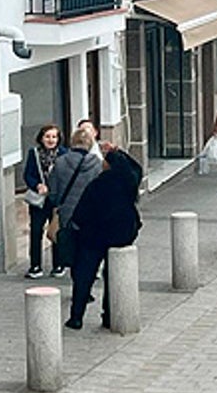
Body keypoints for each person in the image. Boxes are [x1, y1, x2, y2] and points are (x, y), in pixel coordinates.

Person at [64, 149, 143, 330]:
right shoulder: (129, 183)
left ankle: (76, 316)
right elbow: (137, 167)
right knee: (113, 275)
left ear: (108, 165)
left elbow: (81, 212)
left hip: (93, 236)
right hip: (120, 235)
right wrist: (120, 152)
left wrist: (75, 226)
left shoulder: (97, 185)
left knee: (85, 275)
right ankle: (109, 314)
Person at [48, 127, 104, 273]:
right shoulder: (97, 164)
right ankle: (85, 287)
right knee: (87, 250)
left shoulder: (60, 163)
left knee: (72, 248)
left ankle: (76, 281)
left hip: (66, 213)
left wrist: (58, 205)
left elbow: (53, 192)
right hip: (89, 214)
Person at [22, 124, 67, 279]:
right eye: (47, 136)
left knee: (56, 231)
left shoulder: (64, 154)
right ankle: (35, 266)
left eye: (54, 137)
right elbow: (28, 175)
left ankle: (58, 265)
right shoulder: (34, 154)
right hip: (39, 200)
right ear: (41, 138)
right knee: (36, 231)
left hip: (56, 199)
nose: (51, 140)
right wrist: (36, 185)